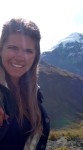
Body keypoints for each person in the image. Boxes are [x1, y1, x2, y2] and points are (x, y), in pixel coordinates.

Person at [0, 18, 50, 150]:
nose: (20, 57)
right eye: (13, 48)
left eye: (28, 51)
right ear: (1, 49)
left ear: (36, 56)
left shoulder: (34, 92)